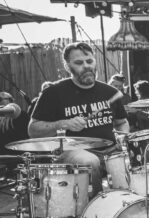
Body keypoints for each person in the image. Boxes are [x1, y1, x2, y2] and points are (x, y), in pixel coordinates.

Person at [28, 42, 129, 197]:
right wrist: (63, 123)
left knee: (127, 166)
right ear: (68, 67)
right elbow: (33, 130)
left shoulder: (110, 92)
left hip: (110, 151)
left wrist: (123, 137)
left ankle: (123, 205)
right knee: (90, 161)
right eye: (79, 63)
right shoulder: (53, 93)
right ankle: (94, 207)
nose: (86, 66)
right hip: (71, 151)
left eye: (89, 61)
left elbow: (121, 123)